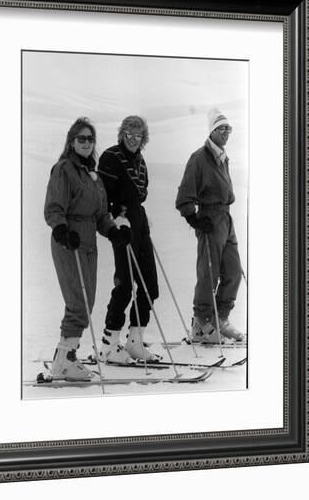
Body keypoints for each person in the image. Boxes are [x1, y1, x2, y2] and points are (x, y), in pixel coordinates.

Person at [43, 117, 132, 381]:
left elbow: (101, 215)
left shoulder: (93, 176)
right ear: (72, 141)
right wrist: (61, 229)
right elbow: (54, 207)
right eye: (81, 138)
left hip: (88, 243)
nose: (86, 142)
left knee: (86, 302)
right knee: (77, 302)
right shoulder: (63, 170)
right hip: (68, 241)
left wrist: (114, 231)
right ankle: (64, 361)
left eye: (90, 139)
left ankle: (66, 357)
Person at [175, 108, 245, 343]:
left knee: (233, 271)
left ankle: (220, 319)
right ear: (212, 131)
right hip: (210, 219)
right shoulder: (199, 158)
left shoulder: (223, 157)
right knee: (209, 272)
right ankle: (201, 322)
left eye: (228, 128)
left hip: (226, 218)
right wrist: (193, 218)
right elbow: (185, 194)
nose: (226, 132)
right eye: (221, 128)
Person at [97, 115, 160, 363]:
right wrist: (116, 217)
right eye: (129, 134)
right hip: (121, 224)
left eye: (138, 136)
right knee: (125, 284)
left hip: (138, 222)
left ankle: (135, 340)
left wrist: (140, 217)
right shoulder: (111, 157)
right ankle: (108, 344)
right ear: (122, 134)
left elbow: (140, 194)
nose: (133, 140)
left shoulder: (140, 161)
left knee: (149, 286)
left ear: (144, 138)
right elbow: (102, 194)